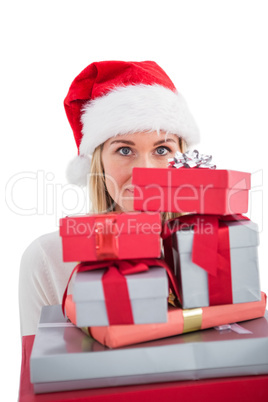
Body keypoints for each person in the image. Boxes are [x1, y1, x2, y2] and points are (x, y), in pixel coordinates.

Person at [19, 60, 200, 336]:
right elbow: (39, 371)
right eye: (125, 151)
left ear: (182, 158)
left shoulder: (210, 246)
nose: (145, 172)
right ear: (98, 163)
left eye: (162, 150)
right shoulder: (49, 258)